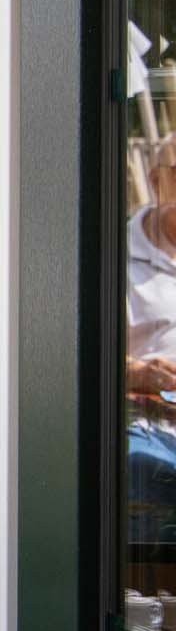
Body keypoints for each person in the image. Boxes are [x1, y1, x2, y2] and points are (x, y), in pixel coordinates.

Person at [127, 135, 176, 542]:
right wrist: (140, 371)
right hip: (145, 422)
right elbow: (81, 357)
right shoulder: (114, 256)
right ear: (158, 181)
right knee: (141, 467)